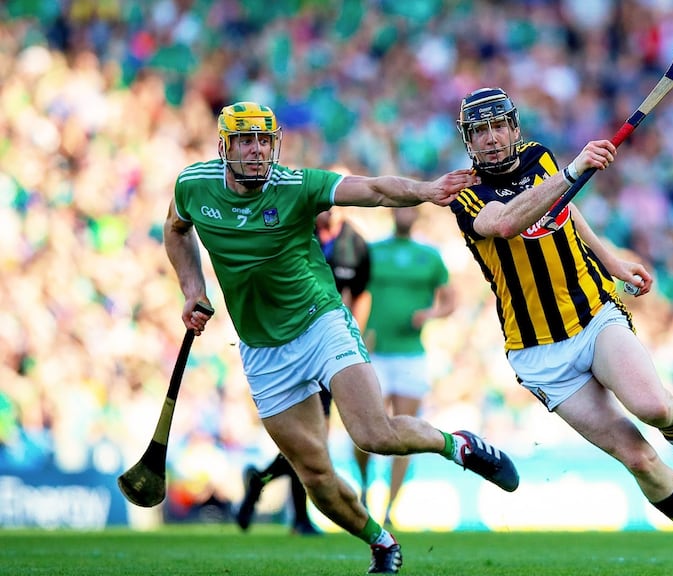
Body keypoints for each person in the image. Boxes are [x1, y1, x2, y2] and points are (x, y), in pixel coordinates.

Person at [165, 101, 518, 574]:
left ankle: (458, 446)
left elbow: (372, 189)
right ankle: (382, 542)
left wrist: (426, 190)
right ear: (224, 146)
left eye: (264, 141)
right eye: (246, 141)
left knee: (375, 434)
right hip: (261, 348)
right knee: (316, 477)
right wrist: (193, 289)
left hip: (321, 323)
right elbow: (176, 229)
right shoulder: (193, 184)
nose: (256, 151)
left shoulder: (296, 186)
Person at [448, 87, 673, 576]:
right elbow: (504, 225)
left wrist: (614, 263)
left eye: (499, 126)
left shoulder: (538, 156)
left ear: (515, 128)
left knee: (654, 407)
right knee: (638, 457)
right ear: (469, 142)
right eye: (481, 131)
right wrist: (570, 173)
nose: (493, 138)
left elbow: (566, 211)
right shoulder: (464, 193)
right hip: (537, 352)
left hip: (591, 315)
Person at [235, 208, 372, 536]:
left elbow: (360, 295)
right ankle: (296, 513)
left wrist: (352, 340)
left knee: (315, 439)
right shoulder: (296, 229)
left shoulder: (356, 244)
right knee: (312, 439)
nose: (329, 209)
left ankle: (266, 485)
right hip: (293, 344)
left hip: (329, 346)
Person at [356, 206, 456, 526]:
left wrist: (430, 315)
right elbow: (352, 294)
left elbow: (450, 300)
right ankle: (362, 488)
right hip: (375, 352)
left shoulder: (430, 256)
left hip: (411, 354)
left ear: (417, 216)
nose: (404, 214)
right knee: (364, 429)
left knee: (404, 431)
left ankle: (388, 509)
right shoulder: (372, 252)